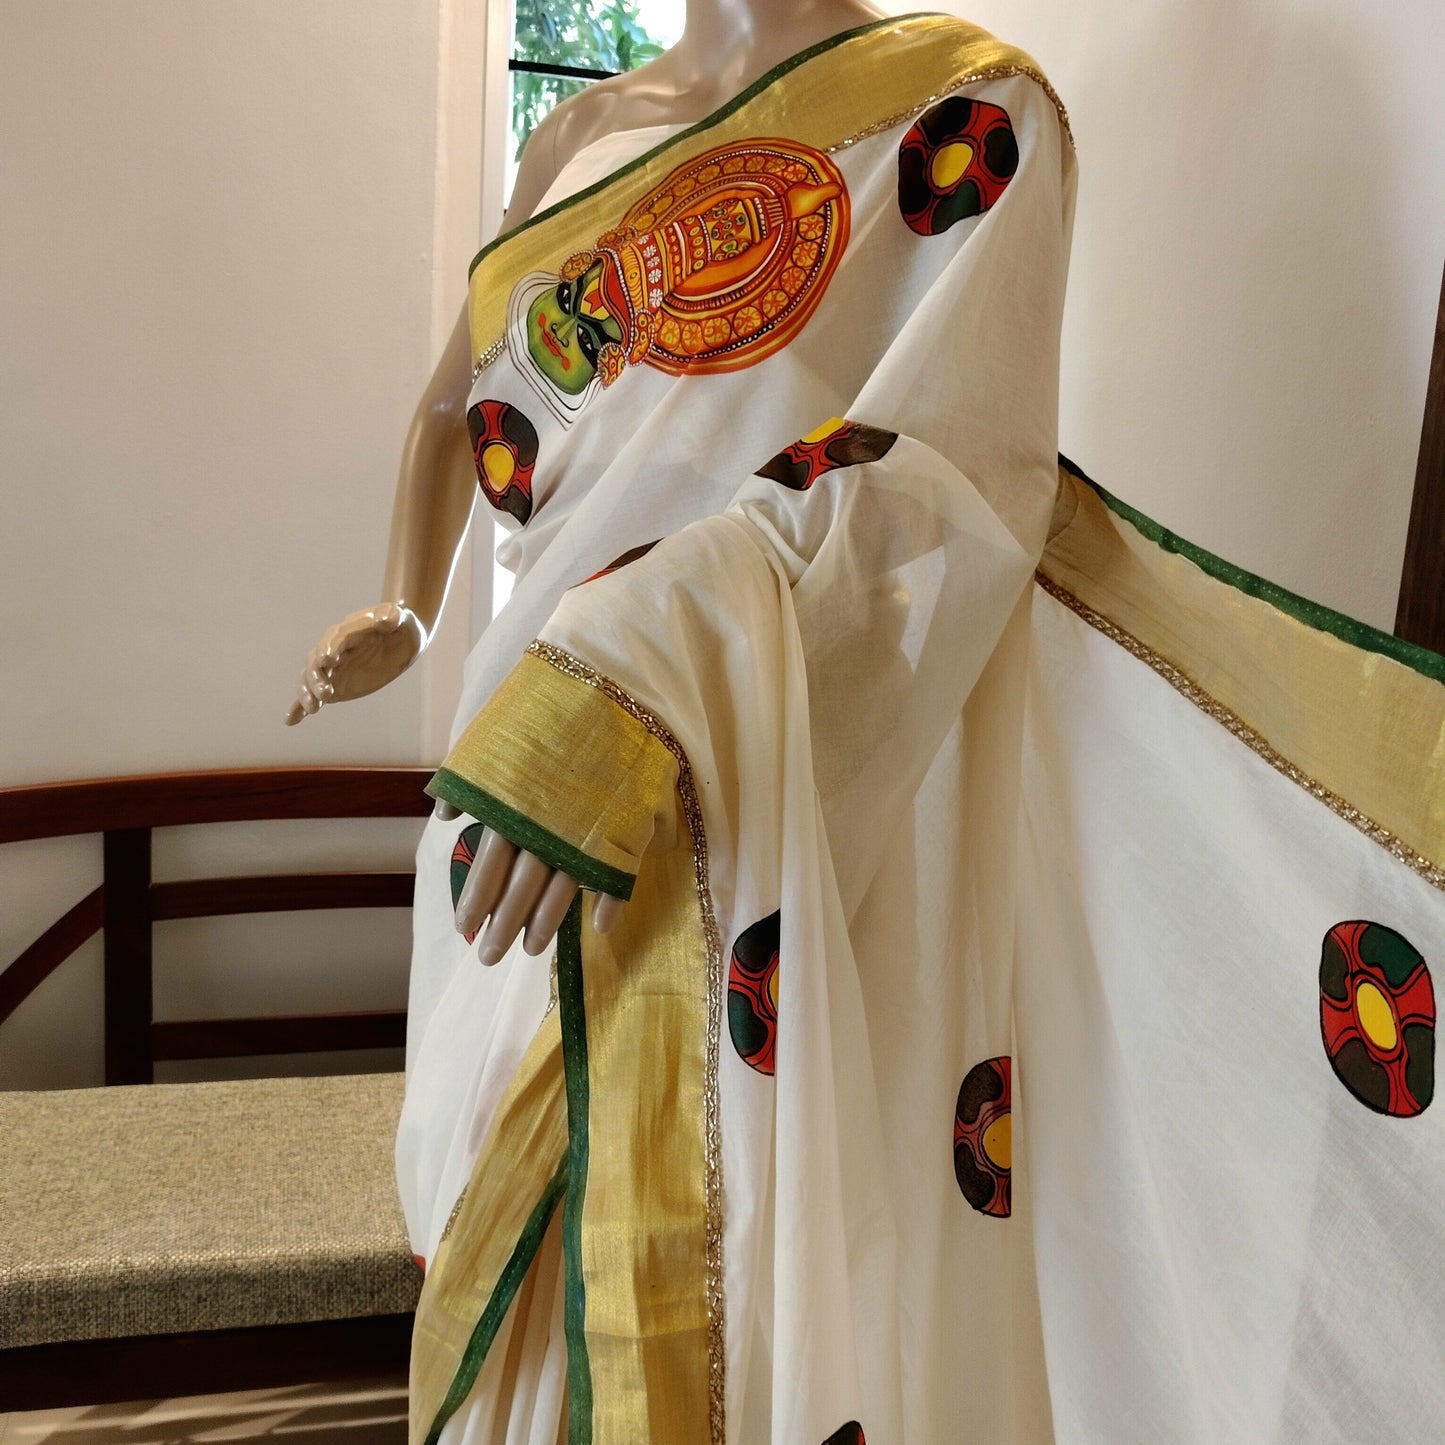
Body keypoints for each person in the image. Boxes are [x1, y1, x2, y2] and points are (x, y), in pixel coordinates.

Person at [289, 6, 1445, 1444]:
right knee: (523, 1262)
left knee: (771, 1255)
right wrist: (407, 609)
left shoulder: (963, 106)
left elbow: (952, 471)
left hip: (785, 795)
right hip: (518, 768)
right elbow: (448, 413)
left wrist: (643, 642)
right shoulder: (574, 135)